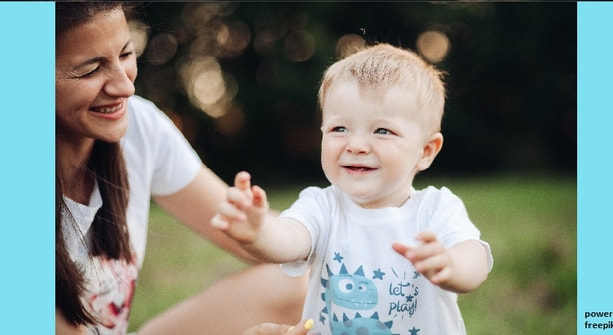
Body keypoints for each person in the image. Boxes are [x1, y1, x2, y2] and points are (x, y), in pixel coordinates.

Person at [55, 2, 309, 334]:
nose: (125, 87)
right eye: (91, 70)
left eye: (126, 54)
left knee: (295, 280)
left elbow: (249, 230)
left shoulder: (140, 125)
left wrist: (370, 236)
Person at [212, 43, 494, 334]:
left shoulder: (436, 209)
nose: (356, 145)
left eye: (382, 131)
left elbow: (475, 259)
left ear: (426, 150)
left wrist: (451, 265)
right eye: (339, 129)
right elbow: (290, 240)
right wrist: (259, 232)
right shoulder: (322, 206)